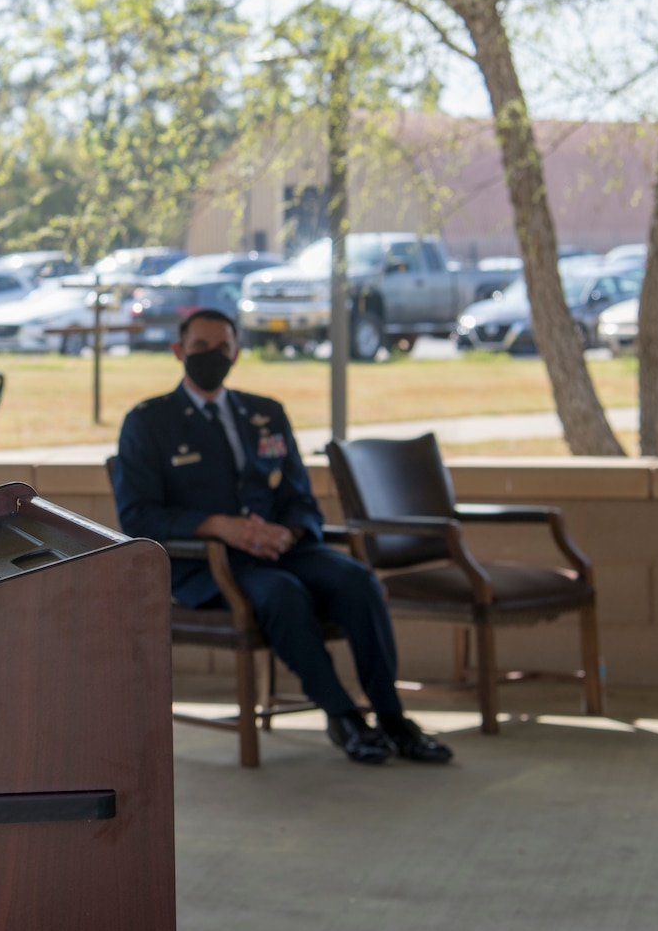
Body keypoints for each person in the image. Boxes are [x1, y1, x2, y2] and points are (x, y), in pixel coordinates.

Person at [112, 308, 450, 766]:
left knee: (358, 581)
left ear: (236, 352)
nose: (212, 356)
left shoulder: (265, 414)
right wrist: (220, 526)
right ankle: (343, 717)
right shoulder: (149, 422)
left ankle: (392, 718)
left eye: (222, 348)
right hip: (210, 564)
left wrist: (286, 533)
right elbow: (138, 515)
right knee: (283, 593)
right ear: (178, 351)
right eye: (199, 348)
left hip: (282, 550)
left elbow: (300, 498)